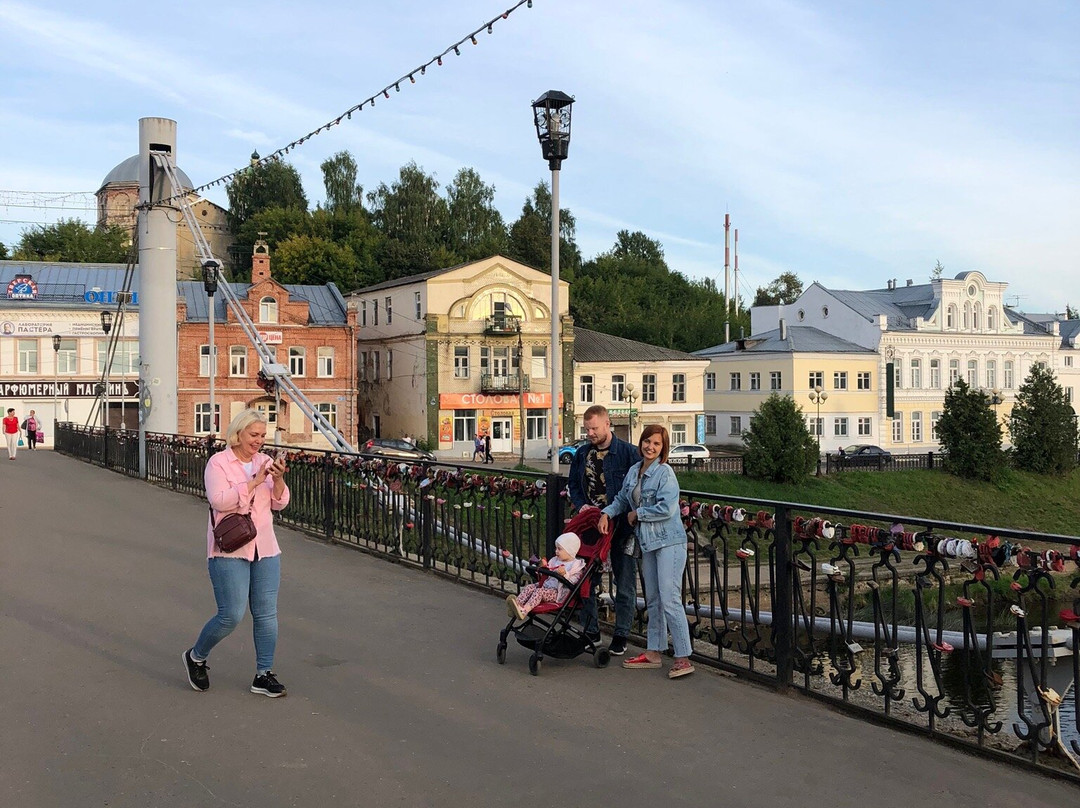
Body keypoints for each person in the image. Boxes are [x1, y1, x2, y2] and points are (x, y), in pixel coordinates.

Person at [183, 409, 291, 698]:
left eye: (262, 436)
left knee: (267, 614)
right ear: (238, 433)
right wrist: (254, 481)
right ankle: (196, 656)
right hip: (229, 548)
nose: (258, 441)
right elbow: (219, 501)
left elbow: (280, 503)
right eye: (253, 435)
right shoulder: (218, 463)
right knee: (231, 614)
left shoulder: (265, 461)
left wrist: (277, 479)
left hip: (266, 547)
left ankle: (263, 674)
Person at [598, 424, 695, 679]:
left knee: (669, 598)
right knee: (652, 598)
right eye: (647, 442)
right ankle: (654, 652)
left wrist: (637, 514)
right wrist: (608, 512)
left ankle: (683, 657)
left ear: (663, 449)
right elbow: (621, 498)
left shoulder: (665, 474)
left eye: (656, 444)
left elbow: (667, 509)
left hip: (670, 542)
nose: (650, 447)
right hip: (649, 543)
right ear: (640, 443)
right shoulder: (634, 471)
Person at [568, 404, 640, 654]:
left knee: (625, 580)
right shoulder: (582, 454)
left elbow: (640, 486)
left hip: (620, 526)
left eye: (594, 428)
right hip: (591, 526)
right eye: (587, 429)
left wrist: (629, 513)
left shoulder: (629, 454)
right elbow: (573, 486)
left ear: (607, 424)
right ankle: (592, 632)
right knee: (584, 579)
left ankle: (621, 635)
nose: (590, 433)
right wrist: (582, 506)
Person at [506, 532, 586, 620]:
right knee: (530, 587)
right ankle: (517, 605)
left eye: (559, 549)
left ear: (569, 551)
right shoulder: (555, 560)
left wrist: (565, 574)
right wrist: (543, 566)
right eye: (556, 548)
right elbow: (548, 570)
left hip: (557, 593)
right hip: (546, 585)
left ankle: (524, 611)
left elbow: (574, 581)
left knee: (539, 592)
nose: (556, 551)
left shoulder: (576, 566)